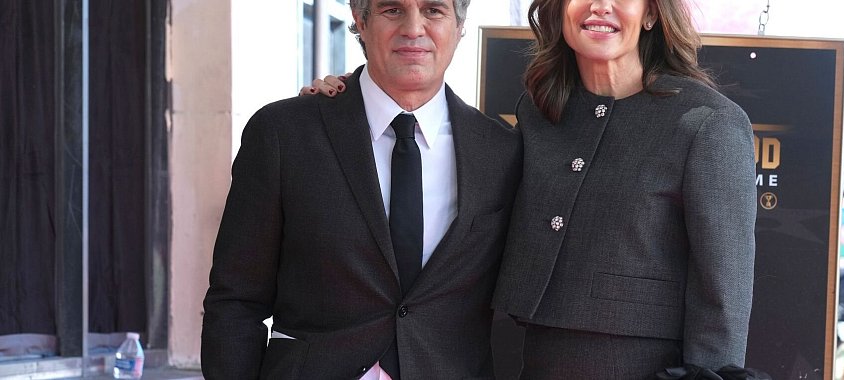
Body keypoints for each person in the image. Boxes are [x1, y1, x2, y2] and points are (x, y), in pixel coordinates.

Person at [308, 0, 757, 377]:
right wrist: (352, 95)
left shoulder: (707, 123)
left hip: (645, 367)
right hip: (531, 359)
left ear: (652, 14)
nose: (601, 6)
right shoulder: (541, 110)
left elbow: (722, 295)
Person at [200, 0, 523, 379]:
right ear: (360, 21)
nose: (414, 28)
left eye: (434, 10)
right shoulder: (283, 134)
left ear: (460, 25)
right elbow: (236, 301)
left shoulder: (501, 152)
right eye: (392, 10)